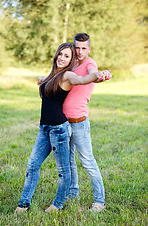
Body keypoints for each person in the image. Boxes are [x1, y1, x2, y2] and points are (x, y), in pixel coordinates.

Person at [15, 42, 111, 215]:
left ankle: (58, 204)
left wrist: (98, 75)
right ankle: (23, 203)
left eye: (67, 56)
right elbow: (49, 88)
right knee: (32, 165)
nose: (62, 58)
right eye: (60, 54)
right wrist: (43, 81)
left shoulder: (68, 75)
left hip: (59, 129)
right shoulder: (53, 75)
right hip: (44, 128)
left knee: (63, 169)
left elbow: (83, 79)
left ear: (71, 60)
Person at [63, 33, 108, 213]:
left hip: (79, 122)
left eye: (83, 48)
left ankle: (100, 201)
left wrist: (99, 75)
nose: (80, 51)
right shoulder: (72, 64)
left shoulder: (90, 64)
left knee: (87, 161)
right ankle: (73, 193)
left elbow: (93, 74)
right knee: (68, 160)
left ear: (89, 49)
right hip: (64, 122)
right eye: (77, 47)